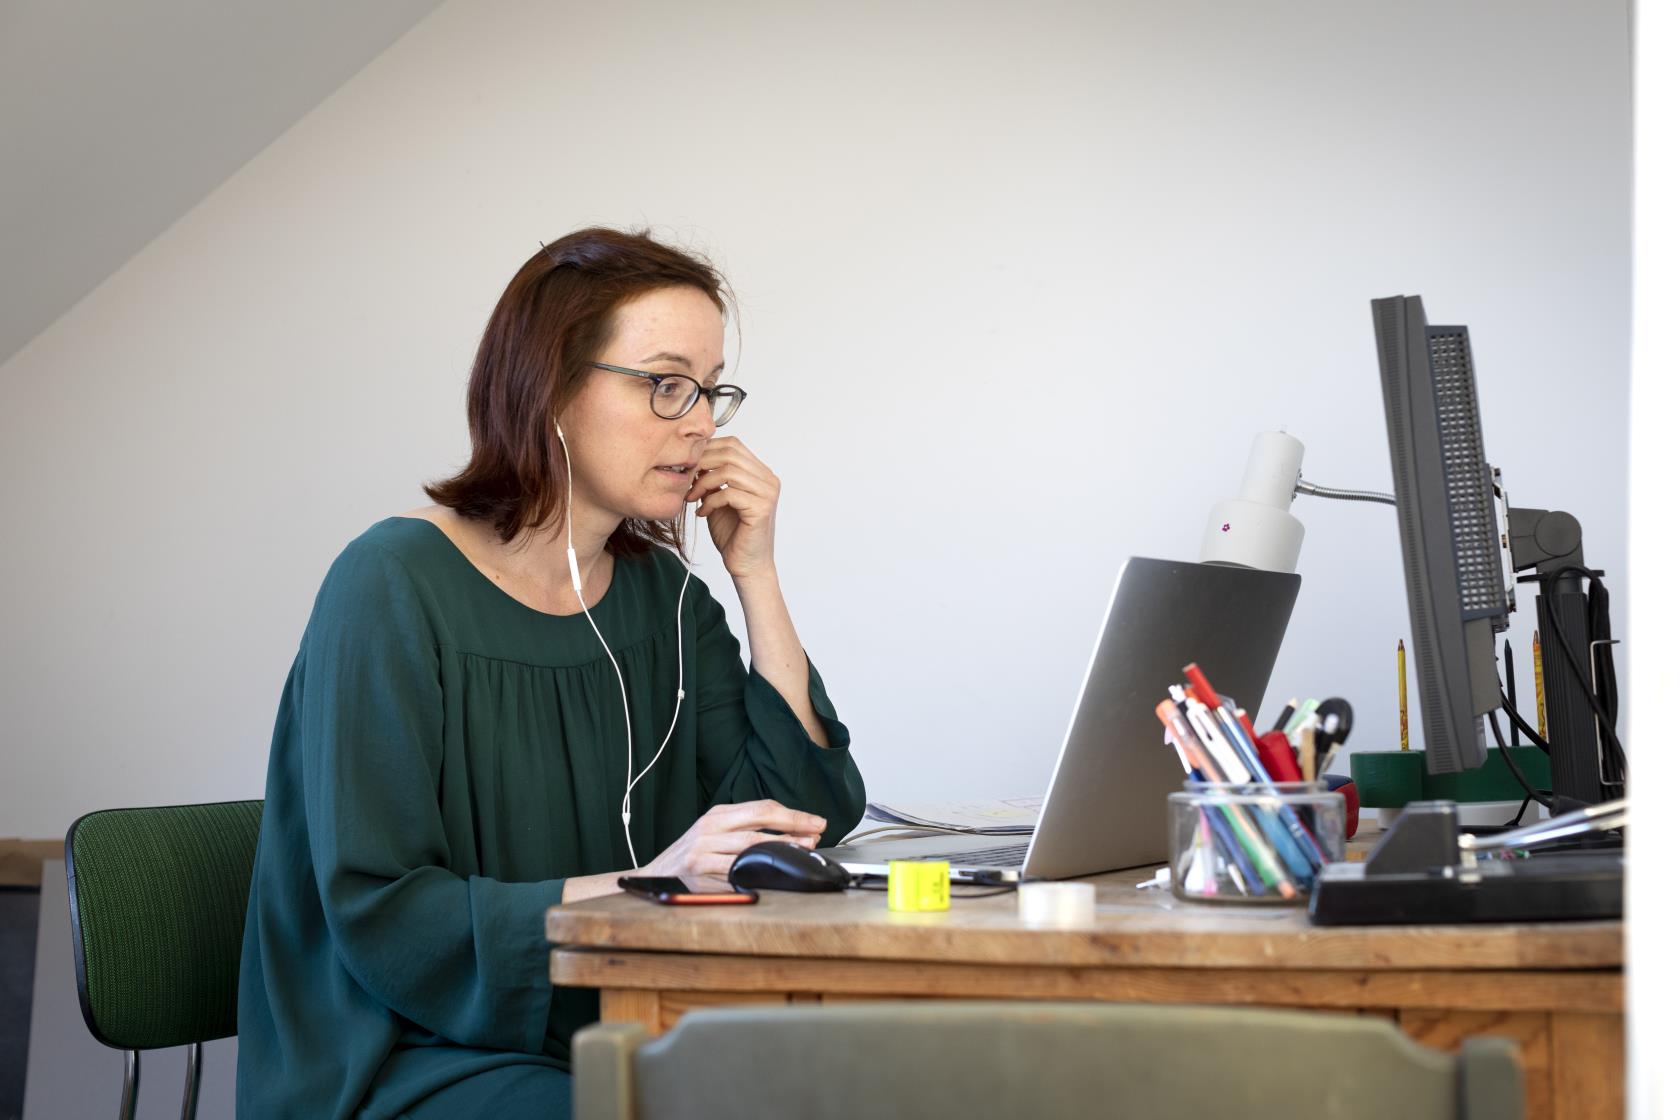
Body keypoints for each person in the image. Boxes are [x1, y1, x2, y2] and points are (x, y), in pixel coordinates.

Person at [236, 228, 867, 1119]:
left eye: (710, 390)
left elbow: (804, 816)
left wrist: (754, 570)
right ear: (553, 389)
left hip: (609, 1024)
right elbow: (388, 918)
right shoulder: (391, 584)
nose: (699, 422)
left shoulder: (665, 603)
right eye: (664, 384)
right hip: (401, 1055)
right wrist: (655, 879)